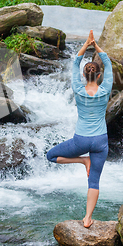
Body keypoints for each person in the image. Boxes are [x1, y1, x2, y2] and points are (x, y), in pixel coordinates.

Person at [46, 30, 113, 228]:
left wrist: (86, 45)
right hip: (100, 140)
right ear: (99, 75)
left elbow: (75, 62)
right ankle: (87, 218)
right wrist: (96, 46)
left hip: (81, 140)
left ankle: (82, 160)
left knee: (50, 155)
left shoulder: (77, 87)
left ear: (84, 75)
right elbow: (107, 62)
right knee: (94, 182)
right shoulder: (106, 89)